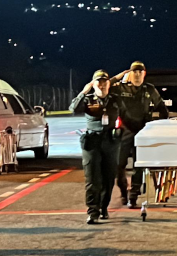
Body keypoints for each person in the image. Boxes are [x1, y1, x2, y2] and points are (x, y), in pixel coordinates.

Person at [109, 61, 167, 209]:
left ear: (144, 74)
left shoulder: (149, 89)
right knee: (119, 165)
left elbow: (162, 108)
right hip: (124, 130)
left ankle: (133, 195)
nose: (137, 75)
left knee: (138, 165)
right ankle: (124, 192)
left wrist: (157, 125)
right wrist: (118, 77)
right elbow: (104, 86)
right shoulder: (121, 88)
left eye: (140, 72)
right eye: (134, 71)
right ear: (130, 74)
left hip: (143, 131)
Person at [70, 70, 119, 224]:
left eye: (104, 82)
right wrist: (84, 92)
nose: (102, 85)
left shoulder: (116, 99)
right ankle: (93, 211)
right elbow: (73, 108)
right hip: (92, 141)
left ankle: (103, 207)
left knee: (109, 178)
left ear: (109, 84)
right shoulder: (88, 99)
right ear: (93, 84)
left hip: (110, 140)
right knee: (92, 178)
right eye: (98, 82)